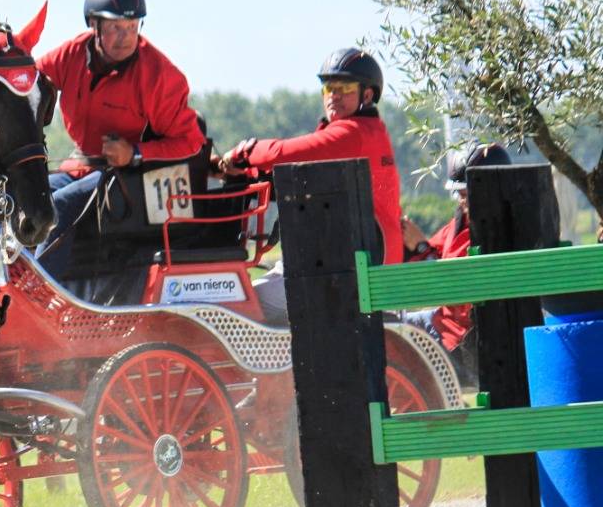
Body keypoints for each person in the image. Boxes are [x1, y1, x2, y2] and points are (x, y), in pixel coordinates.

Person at [33, 0, 205, 275]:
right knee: (27, 197)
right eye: (115, 27)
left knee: (55, 208)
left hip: (133, 175)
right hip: (84, 166)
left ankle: (42, 295)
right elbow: (23, 84)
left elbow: (190, 142)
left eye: (132, 27)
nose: (125, 37)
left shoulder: (160, 76)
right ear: (94, 25)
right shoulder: (70, 54)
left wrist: (135, 152)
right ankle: (15, 286)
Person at [218, 48, 402, 324]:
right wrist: (249, 169)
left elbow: (280, 153)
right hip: (347, 262)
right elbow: (290, 166)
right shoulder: (366, 134)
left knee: (239, 306)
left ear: (367, 95)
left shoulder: (353, 134)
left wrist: (242, 153)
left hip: (345, 272)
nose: (334, 96)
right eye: (328, 88)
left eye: (345, 87)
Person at [400, 142, 512, 357]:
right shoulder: (460, 224)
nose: (462, 201)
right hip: (442, 322)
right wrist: (409, 242)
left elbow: (453, 287)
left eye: (466, 193)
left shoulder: (493, 234)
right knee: (389, 322)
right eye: (459, 194)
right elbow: (432, 252)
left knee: (393, 334)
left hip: (460, 338)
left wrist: (421, 246)